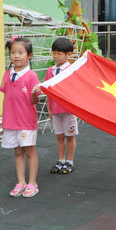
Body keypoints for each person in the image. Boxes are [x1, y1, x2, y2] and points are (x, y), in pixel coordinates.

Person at [0, 37, 40, 198]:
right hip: (11, 121)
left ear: (29, 55)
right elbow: (6, 97)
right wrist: (5, 117)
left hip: (26, 121)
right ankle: (21, 182)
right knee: (17, 151)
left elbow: (34, 101)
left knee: (29, 150)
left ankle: (32, 183)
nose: (16, 56)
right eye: (12, 52)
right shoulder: (7, 74)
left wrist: (35, 94)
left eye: (20, 53)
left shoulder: (32, 76)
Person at [32, 37, 77, 174]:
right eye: (54, 53)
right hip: (55, 109)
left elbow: (75, 89)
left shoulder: (71, 70)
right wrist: (49, 108)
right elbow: (47, 89)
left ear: (68, 54)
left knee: (70, 136)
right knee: (59, 136)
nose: (55, 56)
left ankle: (69, 161)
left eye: (59, 53)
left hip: (68, 110)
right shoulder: (50, 70)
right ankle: (61, 160)